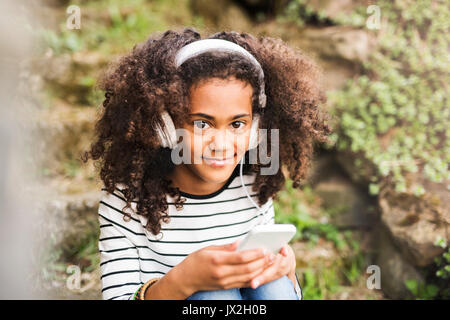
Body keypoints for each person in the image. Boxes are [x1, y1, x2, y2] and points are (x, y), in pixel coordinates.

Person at [82, 27, 331, 300]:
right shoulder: (124, 200)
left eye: (237, 124)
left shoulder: (251, 183)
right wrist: (182, 281)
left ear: (257, 129)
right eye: (202, 123)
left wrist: (287, 271)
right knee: (213, 297)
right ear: (165, 125)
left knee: (273, 287)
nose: (221, 144)